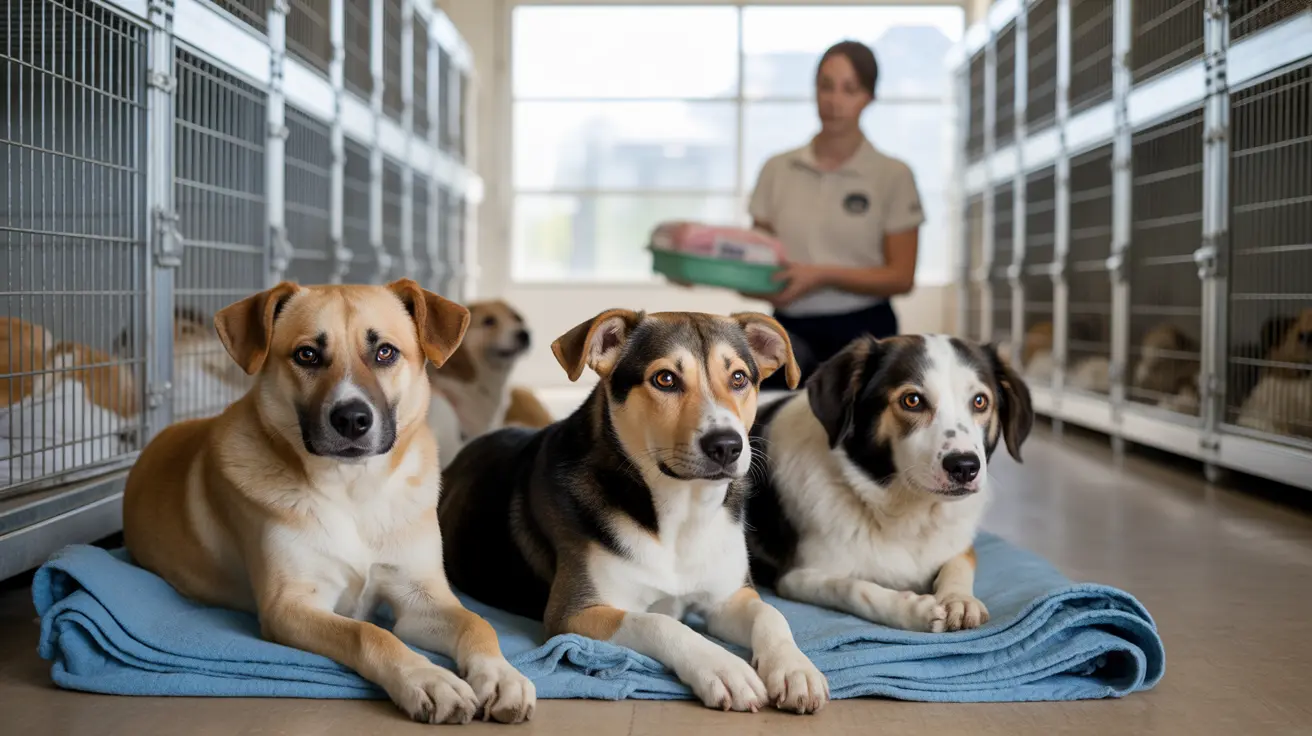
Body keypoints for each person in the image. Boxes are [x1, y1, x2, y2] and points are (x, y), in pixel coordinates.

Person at [745, 40, 924, 388]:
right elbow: (758, 266)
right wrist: (704, 269)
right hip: (789, 328)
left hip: (866, 333)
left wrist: (821, 274)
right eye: (825, 86)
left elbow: (902, 276)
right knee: (770, 428)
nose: (834, 100)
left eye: (849, 89)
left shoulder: (893, 175)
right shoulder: (777, 170)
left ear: (869, 97)